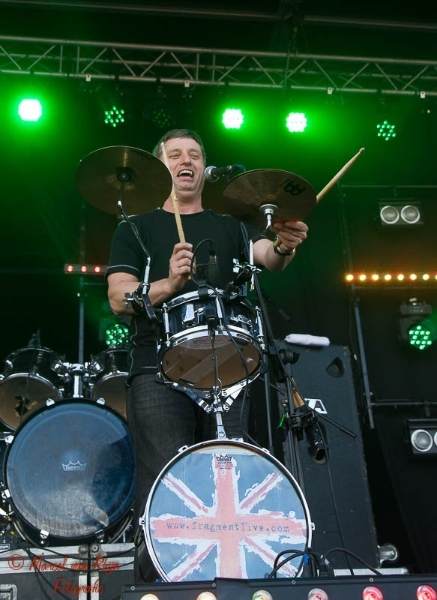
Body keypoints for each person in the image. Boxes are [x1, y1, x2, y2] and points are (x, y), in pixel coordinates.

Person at [106, 128, 309, 582]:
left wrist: (284, 244)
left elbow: (268, 257)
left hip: (227, 367)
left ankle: (228, 581)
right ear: (160, 167)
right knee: (168, 483)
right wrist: (169, 284)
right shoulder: (135, 228)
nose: (186, 161)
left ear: (203, 167)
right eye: (175, 154)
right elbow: (119, 298)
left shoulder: (229, 225)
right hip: (157, 369)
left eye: (194, 155)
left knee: (226, 481)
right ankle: (163, 583)